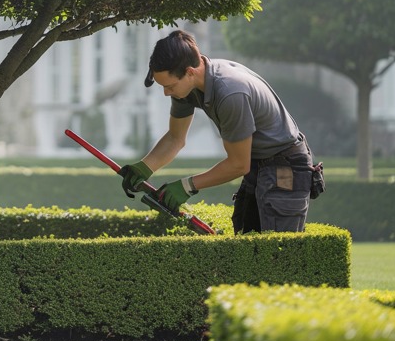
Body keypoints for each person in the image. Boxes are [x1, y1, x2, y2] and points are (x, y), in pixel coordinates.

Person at [119, 29, 324, 233]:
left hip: (285, 168)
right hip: (258, 163)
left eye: (170, 86)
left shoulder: (230, 93)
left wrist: (187, 186)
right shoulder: (187, 87)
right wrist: (144, 168)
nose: (166, 93)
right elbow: (175, 138)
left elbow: (238, 165)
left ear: (190, 72)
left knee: (278, 252)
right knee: (247, 240)